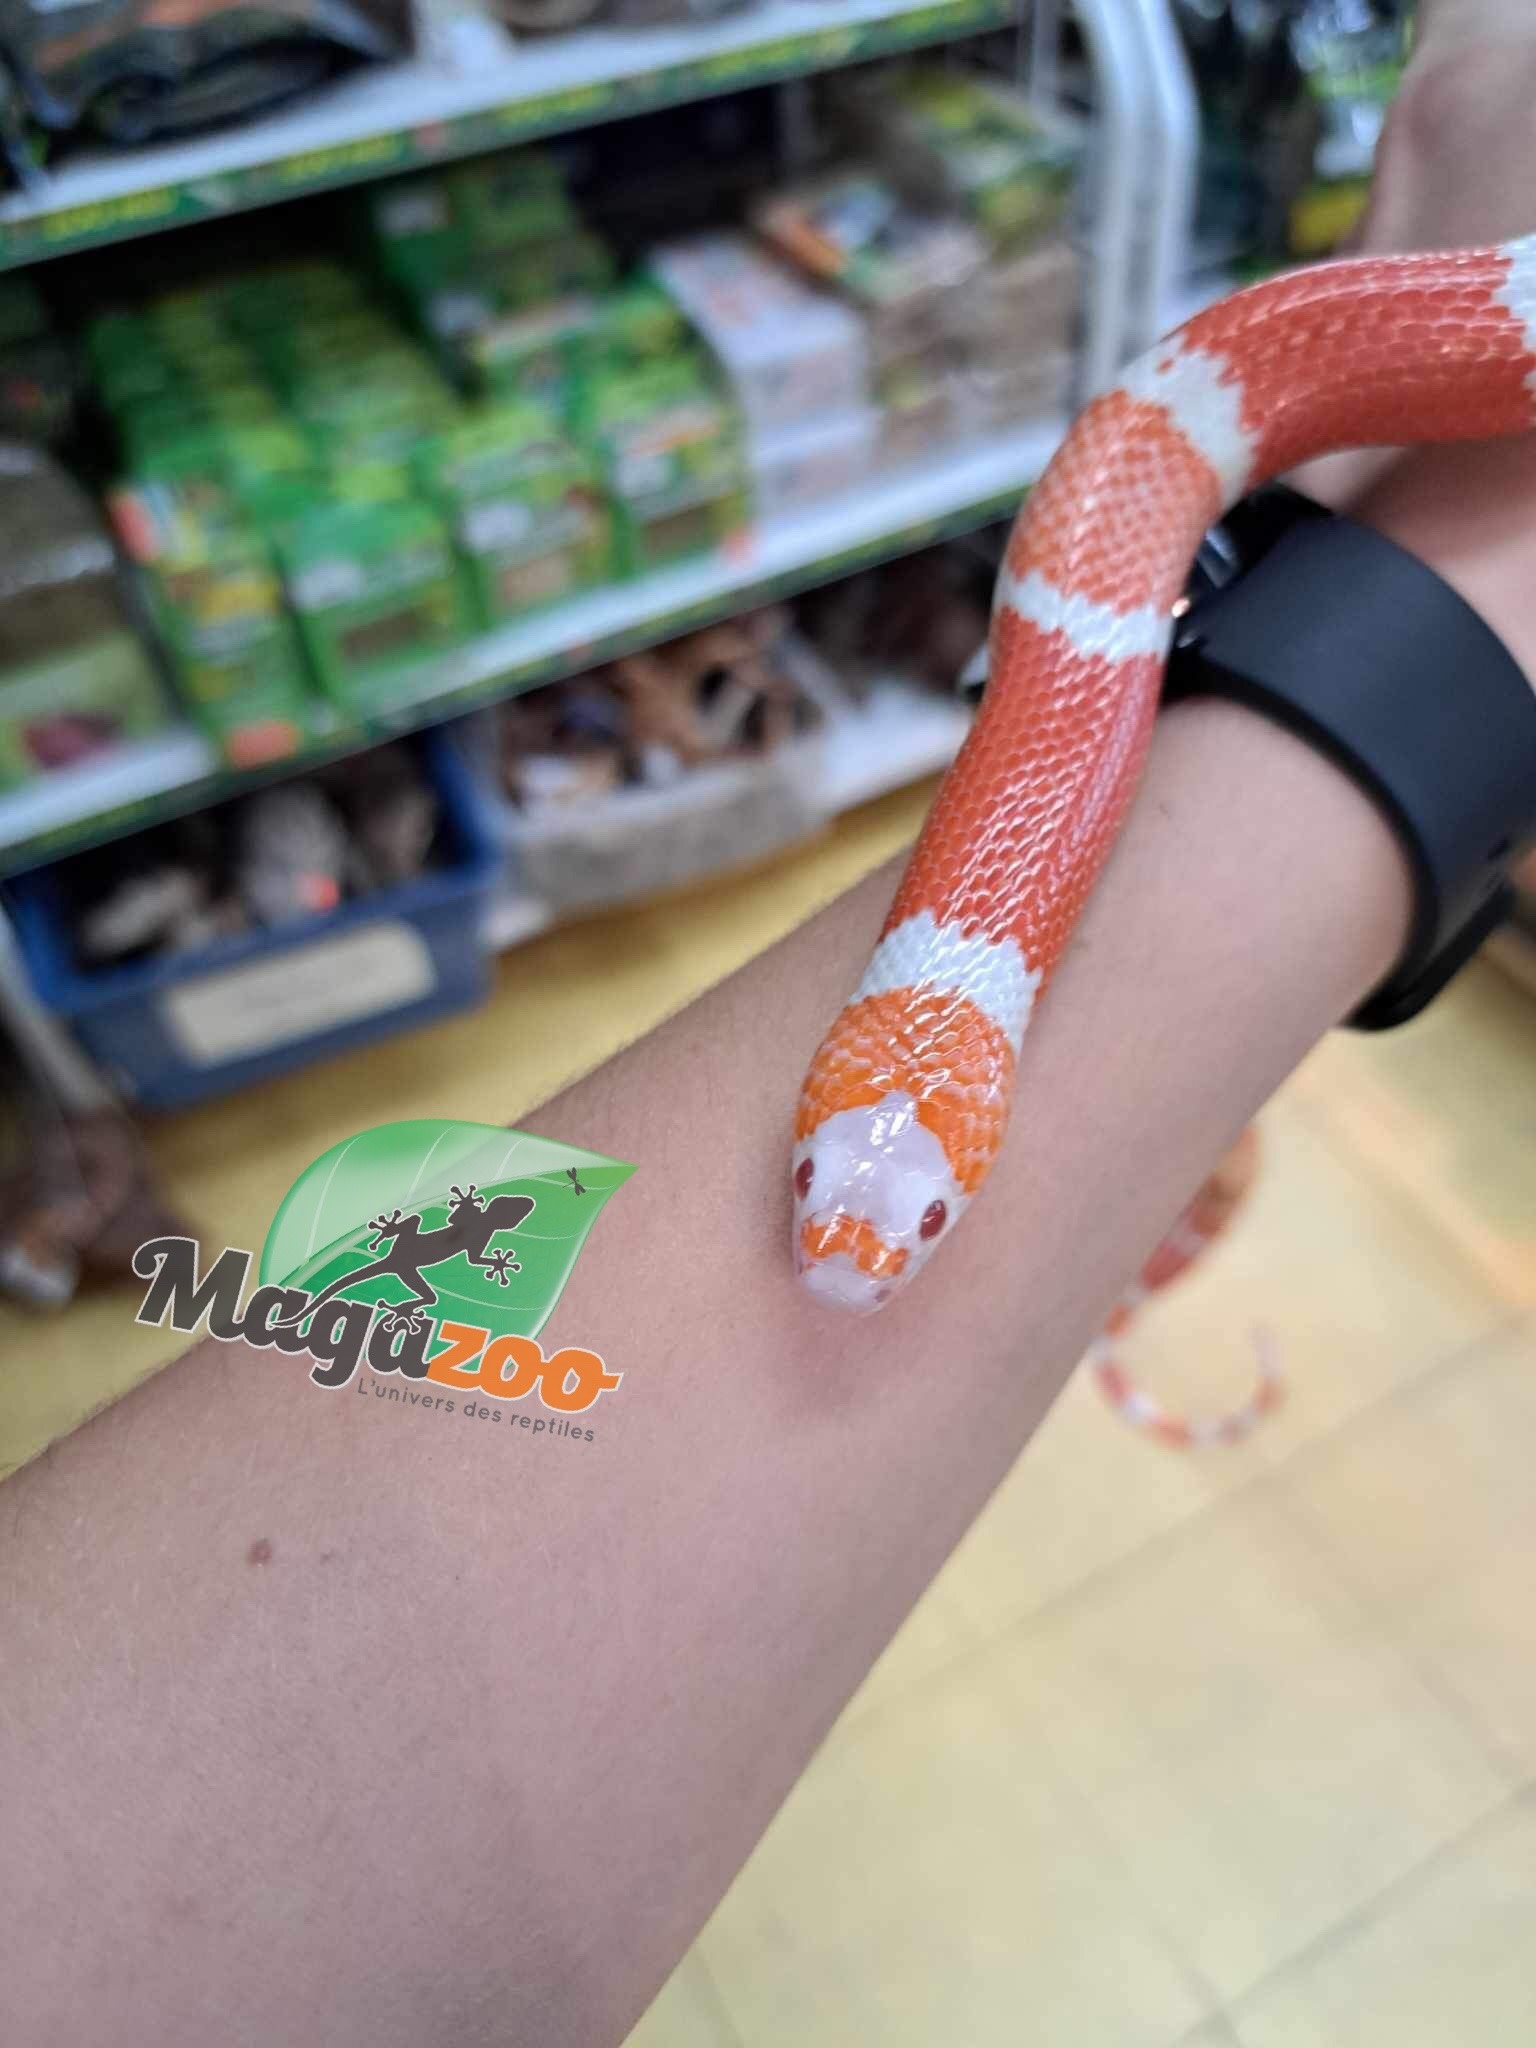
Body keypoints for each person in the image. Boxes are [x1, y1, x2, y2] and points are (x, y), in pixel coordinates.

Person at [2, 6, 1533, 2041]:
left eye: (850, 1183)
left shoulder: (969, 962)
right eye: (855, 1182)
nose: (843, 1233)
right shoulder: (946, 989)